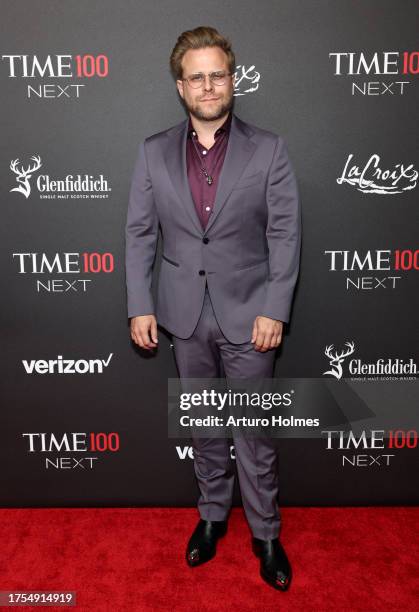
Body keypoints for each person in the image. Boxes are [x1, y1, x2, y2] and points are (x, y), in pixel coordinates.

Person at [125, 26, 301, 591]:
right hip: (181, 314)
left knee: (253, 430)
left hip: (251, 316)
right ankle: (211, 516)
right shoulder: (153, 151)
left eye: (217, 75)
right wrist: (139, 304)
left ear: (232, 79)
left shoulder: (268, 148)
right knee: (203, 424)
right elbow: (138, 236)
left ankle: (266, 532)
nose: (208, 85)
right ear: (181, 86)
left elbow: (285, 232)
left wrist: (276, 307)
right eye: (197, 77)